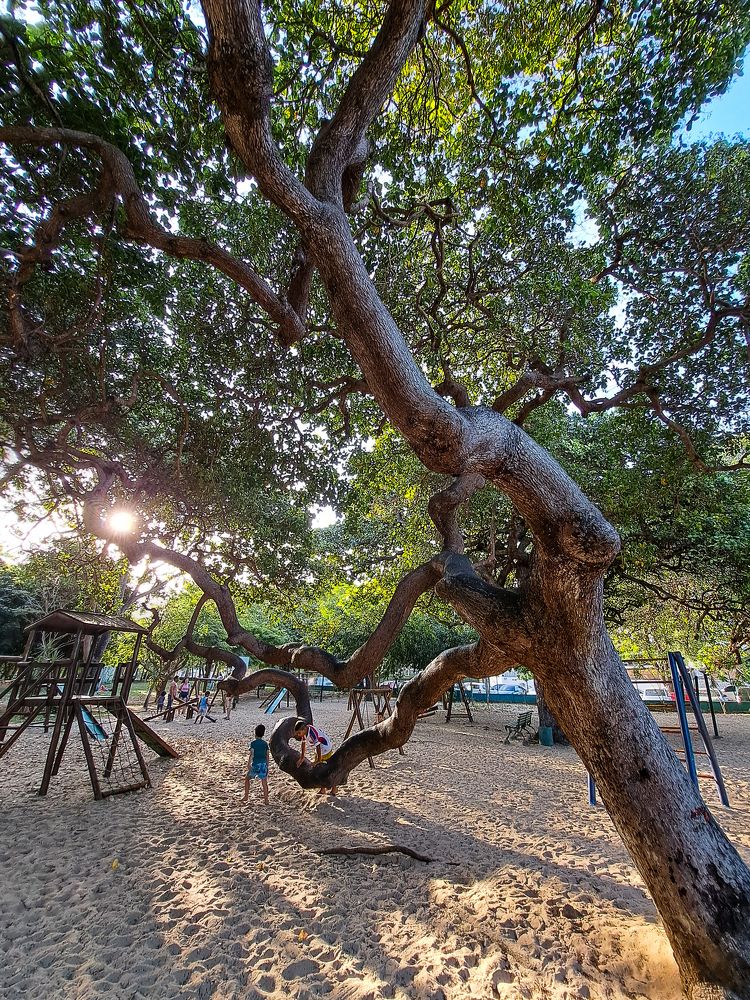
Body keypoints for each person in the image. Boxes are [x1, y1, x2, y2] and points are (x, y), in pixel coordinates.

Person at [293, 718, 337, 795]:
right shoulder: (304, 732)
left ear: (304, 729)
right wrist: (302, 758)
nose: (298, 735)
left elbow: (318, 746)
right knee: (319, 769)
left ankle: (334, 788)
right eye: (297, 733)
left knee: (328, 769)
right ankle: (323, 789)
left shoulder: (312, 733)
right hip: (319, 751)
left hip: (325, 748)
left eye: (299, 733)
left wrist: (318, 760)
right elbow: (303, 744)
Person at [243, 724, 270, 804]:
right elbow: (267, 755)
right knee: (264, 782)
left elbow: (252, 754)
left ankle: (246, 796)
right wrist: (267, 765)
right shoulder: (265, 744)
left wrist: (248, 764)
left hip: (256, 765)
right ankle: (266, 799)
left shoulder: (253, 743)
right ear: (263, 734)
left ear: (255, 733)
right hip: (263, 765)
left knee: (247, 779)